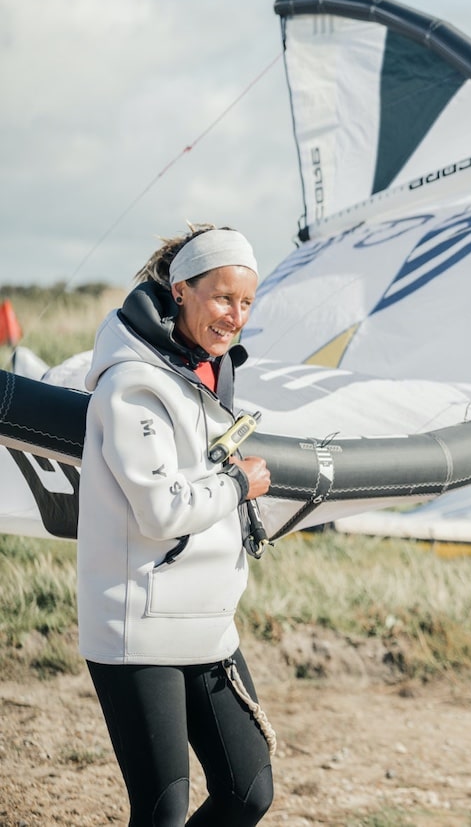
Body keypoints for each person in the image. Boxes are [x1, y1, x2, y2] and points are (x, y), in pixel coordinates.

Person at [77, 224, 275, 826]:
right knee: (162, 811)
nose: (234, 316)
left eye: (245, 302)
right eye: (222, 297)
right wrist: (240, 483)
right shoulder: (131, 384)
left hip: (209, 623)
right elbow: (161, 511)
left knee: (249, 790)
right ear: (181, 290)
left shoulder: (209, 372)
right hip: (137, 626)